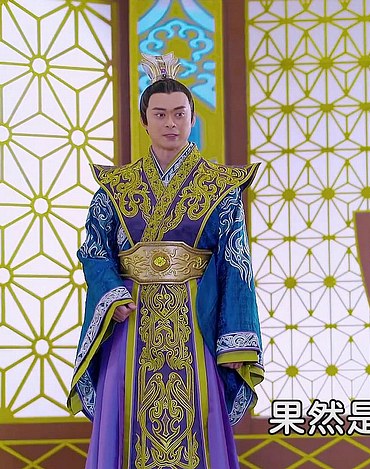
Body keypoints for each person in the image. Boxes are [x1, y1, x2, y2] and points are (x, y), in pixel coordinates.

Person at [67, 52, 263, 469]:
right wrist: (111, 295)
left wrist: (236, 338)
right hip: (131, 319)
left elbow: (236, 265)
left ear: (193, 119)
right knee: (128, 418)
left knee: (198, 416)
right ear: (145, 121)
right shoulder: (116, 188)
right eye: (160, 114)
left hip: (194, 321)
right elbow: (95, 250)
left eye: (179, 113)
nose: (170, 123)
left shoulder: (220, 188)